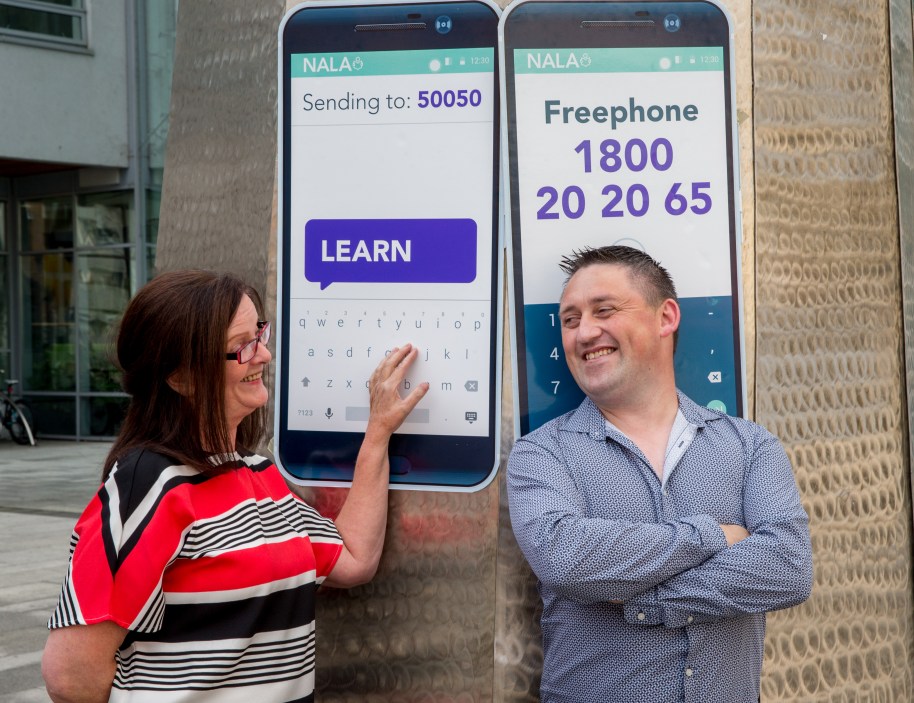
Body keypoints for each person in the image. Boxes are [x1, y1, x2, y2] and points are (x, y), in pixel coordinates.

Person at [41, 269, 428, 703]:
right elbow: (70, 676)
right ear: (181, 378)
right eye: (241, 347)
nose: (263, 355)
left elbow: (354, 558)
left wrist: (378, 432)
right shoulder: (148, 484)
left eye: (259, 334)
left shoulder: (258, 474)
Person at [507, 246, 813, 703]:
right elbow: (566, 559)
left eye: (604, 310)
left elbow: (788, 567)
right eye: (570, 320)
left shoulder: (750, 446)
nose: (584, 332)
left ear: (666, 316)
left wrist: (647, 600)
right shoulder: (541, 454)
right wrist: (714, 537)